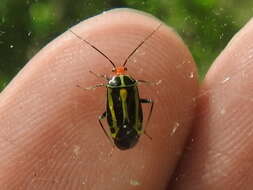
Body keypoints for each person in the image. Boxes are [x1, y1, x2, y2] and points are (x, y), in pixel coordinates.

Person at [0, 8, 252, 189]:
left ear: (113, 75)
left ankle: (116, 136)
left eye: (119, 71)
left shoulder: (110, 85)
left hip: (118, 123)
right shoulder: (130, 83)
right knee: (148, 104)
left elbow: (106, 107)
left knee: (105, 117)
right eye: (119, 71)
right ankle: (137, 130)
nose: (120, 72)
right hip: (133, 122)